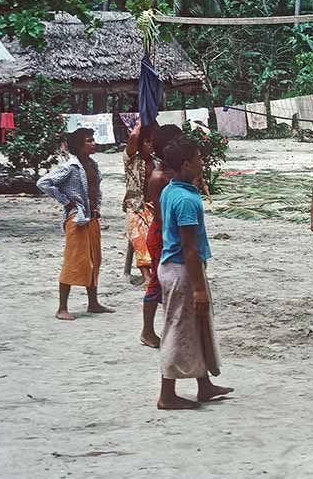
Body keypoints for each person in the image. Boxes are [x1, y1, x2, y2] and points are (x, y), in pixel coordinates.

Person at [156, 136, 233, 410]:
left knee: (196, 326)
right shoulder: (186, 201)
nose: (203, 162)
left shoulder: (171, 190)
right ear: (186, 164)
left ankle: (204, 384)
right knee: (178, 328)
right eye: (199, 159)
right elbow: (189, 247)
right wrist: (199, 288)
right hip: (182, 270)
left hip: (174, 265)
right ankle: (167, 394)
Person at [37, 128, 115, 321]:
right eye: (89, 141)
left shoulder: (93, 165)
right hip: (76, 219)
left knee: (94, 259)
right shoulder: (70, 167)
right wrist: (66, 201)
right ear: (79, 146)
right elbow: (44, 183)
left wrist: (97, 206)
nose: (93, 143)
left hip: (91, 218)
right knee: (74, 261)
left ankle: (93, 303)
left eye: (93, 140)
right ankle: (62, 308)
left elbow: (96, 190)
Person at [139, 124, 183, 348]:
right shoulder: (159, 177)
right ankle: (147, 331)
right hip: (162, 233)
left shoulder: (173, 173)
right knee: (158, 282)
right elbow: (161, 213)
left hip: (170, 232)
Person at [122, 122, 155, 286]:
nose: (151, 145)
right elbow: (134, 136)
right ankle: (147, 276)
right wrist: (143, 115)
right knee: (139, 237)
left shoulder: (155, 161)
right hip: (135, 206)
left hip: (153, 206)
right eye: (147, 141)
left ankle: (155, 274)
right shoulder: (130, 159)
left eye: (152, 141)